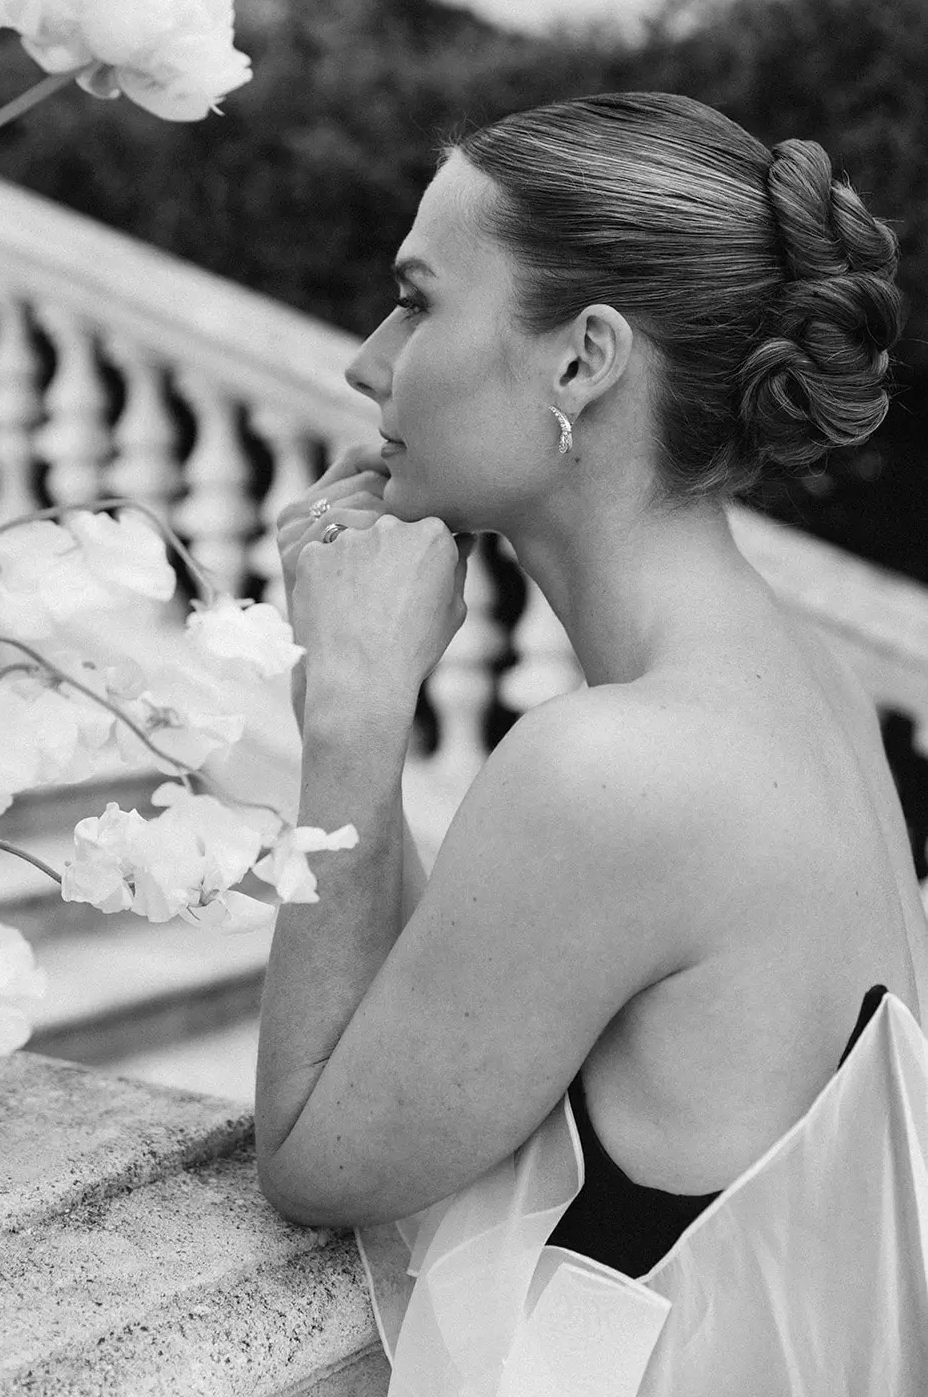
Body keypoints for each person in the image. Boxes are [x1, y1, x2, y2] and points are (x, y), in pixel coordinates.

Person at [254, 93, 928, 1392]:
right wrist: (353, 697)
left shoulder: (617, 768)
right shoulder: (801, 682)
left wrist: (347, 720)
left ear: (580, 362)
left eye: (419, 300)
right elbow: (428, 1040)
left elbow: (315, 1156)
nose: (367, 360)